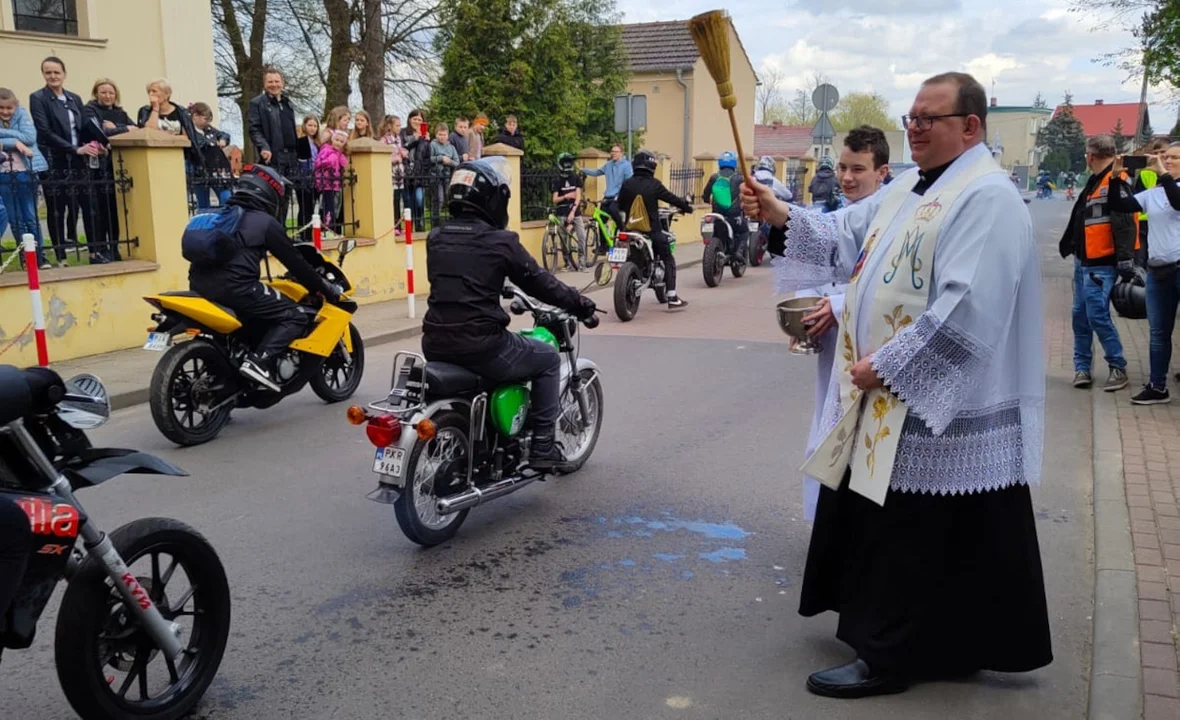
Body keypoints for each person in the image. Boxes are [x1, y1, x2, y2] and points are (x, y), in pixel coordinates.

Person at [742, 71, 1050, 697]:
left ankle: (889, 656)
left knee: (911, 532)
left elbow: (968, 307)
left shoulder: (986, 197)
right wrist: (779, 212)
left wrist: (885, 365)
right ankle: (953, 642)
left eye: (927, 119)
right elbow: (845, 232)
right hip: (897, 392)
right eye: (910, 117)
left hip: (939, 396)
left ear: (971, 126)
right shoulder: (912, 186)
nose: (913, 128)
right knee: (948, 532)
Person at [422, 157, 596, 470]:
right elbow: (542, 284)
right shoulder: (500, 242)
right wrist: (580, 304)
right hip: (482, 345)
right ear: (493, 199)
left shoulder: (437, 237)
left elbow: (459, 277)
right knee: (545, 359)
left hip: (435, 341)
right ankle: (543, 446)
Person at [795, 125, 891, 521]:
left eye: (859, 169)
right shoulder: (841, 212)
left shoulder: (891, 215)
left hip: (870, 345)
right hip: (836, 338)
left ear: (882, 172)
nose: (847, 178)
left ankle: (852, 522)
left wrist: (835, 305)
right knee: (829, 428)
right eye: (842, 167)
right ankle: (828, 520)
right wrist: (808, 318)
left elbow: (884, 283)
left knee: (861, 436)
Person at [185, 164, 341, 391]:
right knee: (295, 315)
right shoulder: (264, 222)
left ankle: (226, 386)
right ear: (269, 193)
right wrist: (325, 289)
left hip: (198, 288)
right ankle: (258, 361)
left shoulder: (219, 215)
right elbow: (297, 264)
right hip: (238, 290)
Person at [1058, 135, 1136, 393]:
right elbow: (1082, 216)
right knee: (1080, 316)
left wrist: (1125, 258)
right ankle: (1082, 368)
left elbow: (1125, 222)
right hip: (1085, 260)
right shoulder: (1096, 181)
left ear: (1090, 156)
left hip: (1101, 262)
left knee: (1096, 315)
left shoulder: (1115, 181)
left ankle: (1117, 366)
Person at [1107, 145, 1180, 404]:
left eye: (1174, 157)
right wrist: (1115, 177)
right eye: (1165, 157)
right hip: (1159, 270)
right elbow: (1118, 204)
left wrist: (1164, 174)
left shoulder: (1172, 188)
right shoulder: (1154, 193)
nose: (1167, 160)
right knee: (1159, 332)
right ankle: (1157, 386)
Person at [30, 56, 103, 267]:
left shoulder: (74, 98)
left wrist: (96, 143)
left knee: (88, 206)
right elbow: (44, 131)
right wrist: (73, 148)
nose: (53, 76)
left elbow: (84, 125)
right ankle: (61, 256)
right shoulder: (38, 98)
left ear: (64, 74)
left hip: (79, 161)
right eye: (48, 72)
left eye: (56, 72)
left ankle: (94, 252)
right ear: (44, 74)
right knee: (57, 208)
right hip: (55, 160)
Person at [618, 149, 693, 309]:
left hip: (630, 230)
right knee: (668, 258)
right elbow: (671, 198)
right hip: (652, 230)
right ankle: (672, 296)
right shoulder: (654, 184)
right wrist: (686, 207)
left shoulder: (627, 184)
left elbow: (620, 205)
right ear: (651, 166)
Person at [0, 87, 50, 269]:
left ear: (15, 107)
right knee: (15, 219)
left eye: (9, 108)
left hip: (25, 171)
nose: (5, 112)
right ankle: (25, 255)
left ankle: (40, 254)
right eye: (1, 108)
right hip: (4, 174)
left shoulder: (21, 114)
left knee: (30, 216)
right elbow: (21, 140)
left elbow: (30, 137)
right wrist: (15, 142)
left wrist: (4, 138)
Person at [247, 67, 298, 171]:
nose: (274, 85)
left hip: (293, 158)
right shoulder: (257, 103)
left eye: (277, 81)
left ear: (282, 83)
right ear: (264, 84)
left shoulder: (288, 103)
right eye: (270, 82)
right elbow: (254, 129)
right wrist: (264, 147)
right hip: (274, 158)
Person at [581, 143, 633, 243]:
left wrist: (620, 195)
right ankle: (603, 246)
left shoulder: (626, 166)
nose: (613, 153)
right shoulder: (608, 165)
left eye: (616, 152)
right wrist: (582, 170)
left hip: (619, 197)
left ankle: (623, 230)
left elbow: (629, 182)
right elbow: (596, 172)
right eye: (612, 151)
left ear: (621, 153)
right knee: (600, 220)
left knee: (613, 210)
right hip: (608, 196)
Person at [702, 151, 749, 257]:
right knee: (744, 231)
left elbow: (705, 195)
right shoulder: (739, 178)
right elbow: (746, 193)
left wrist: (706, 200)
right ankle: (739, 252)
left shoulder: (714, 177)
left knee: (715, 232)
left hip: (717, 216)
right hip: (733, 216)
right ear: (734, 163)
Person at [190, 102, 234, 210]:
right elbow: (200, 144)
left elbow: (223, 134)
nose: (207, 122)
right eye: (205, 119)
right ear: (195, 116)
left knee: (226, 197)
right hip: (199, 170)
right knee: (203, 203)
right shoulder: (189, 131)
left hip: (217, 169)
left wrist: (223, 139)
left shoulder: (209, 129)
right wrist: (213, 143)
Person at [551, 152, 586, 266]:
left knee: (581, 236)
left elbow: (578, 196)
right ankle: (567, 263)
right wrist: (566, 196)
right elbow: (555, 199)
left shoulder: (576, 178)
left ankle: (582, 262)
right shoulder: (557, 180)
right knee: (563, 239)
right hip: (561, 212)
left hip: (575, 212)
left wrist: (573, 211)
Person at [315, 130, 350, 234]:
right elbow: (318, 163)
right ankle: (327, 228)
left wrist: (341, 156)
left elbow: (344, 164)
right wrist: (330, 160)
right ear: (332, 139)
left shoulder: (338, 153)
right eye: (337, 140)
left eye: (341, 141)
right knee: (328, 206)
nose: (338, 143)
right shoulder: (326, 149)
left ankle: (327, 226)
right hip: (325, 182)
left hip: (334, 183)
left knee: (332, 206)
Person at [295, 114, 321, 241]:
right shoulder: (301, 141)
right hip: (304, 177)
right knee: (304, 206)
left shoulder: (317, 143)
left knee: (311, 206)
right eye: (310, 125)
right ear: (305, 126)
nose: (312, 128)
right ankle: (303, 233)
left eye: (315, 126)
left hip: (315, 178)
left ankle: (309, 233)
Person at [430, 122, 460, 217]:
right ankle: (436, 220)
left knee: (450, 198)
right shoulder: (433, 145)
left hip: (447, 177)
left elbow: (457, 162)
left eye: (444, 135)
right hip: (436, 176)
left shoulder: (451, 148)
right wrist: (440, 158)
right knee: (439, 199)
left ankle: (452, 218)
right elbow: (429, 159)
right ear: (436, 134)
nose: (442, 137)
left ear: (448, 135)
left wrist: (449, 161)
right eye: (440, 134)